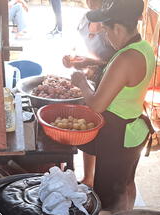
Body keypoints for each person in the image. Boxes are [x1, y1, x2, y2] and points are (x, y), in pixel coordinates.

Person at [70, 0, 155, 212]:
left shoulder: (126, 58)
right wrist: (94, 65)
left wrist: (81, 83)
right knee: (126, 183)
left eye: (106, 30)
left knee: (108, 196)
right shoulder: (142, 48)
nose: (105, 36)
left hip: (117, 136)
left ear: (117, 28)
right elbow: (121, 76)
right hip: (133, 129)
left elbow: (98, 104)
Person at [62, 0, 116, 187]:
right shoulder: (85, 20)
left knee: (102, 131)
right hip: (91, 80)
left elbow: (114, 63)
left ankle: (100, 181)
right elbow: (81, 49)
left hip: (110, 84)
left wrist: (90, 66)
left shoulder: (112, 24)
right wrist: (76, 60)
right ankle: (89, 177)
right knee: (88, 130)